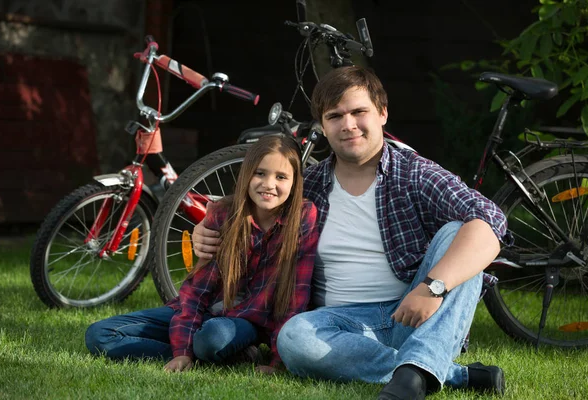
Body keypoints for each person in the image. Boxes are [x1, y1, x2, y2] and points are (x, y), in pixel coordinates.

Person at [192, 66, 509, 399]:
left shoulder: (413, 173)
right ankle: (440, 372)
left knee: (463, 232)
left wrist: (432, 288)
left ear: (382, 113)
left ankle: (411, 380)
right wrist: (209, 227)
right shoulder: (310, 186)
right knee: (293, 339)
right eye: (335, 116)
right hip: (337, 324)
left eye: (359, 112)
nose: (348, 125)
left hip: (415, 311)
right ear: (323, 127)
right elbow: (253, 213)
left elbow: (492, 221)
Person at [85, 135, 319, 374]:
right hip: (208, 311)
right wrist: (181, 352)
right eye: (260, 173)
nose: (268, 184)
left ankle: (217, 347)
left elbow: (295, 295)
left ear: (294, 183)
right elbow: (197, 291)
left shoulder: (302, 218)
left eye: (281, 177)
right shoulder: (223, 213)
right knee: (99, 335)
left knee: (213, 338)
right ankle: (218, 353)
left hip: (246, 323)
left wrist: (278, 363)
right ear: (246, 175)